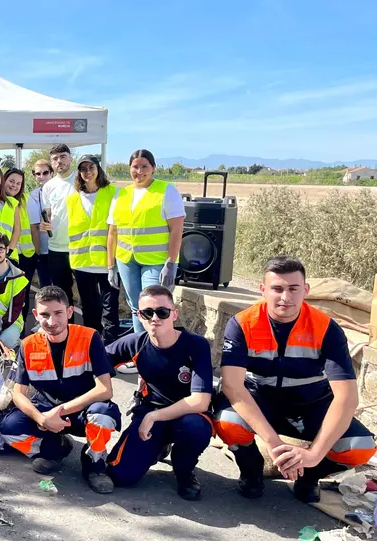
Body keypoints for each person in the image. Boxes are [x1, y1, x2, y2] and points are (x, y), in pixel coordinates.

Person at [214, 256, 376, 503]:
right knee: (228, 423)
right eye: (277, 289)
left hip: (311, 403)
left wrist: (313, 455)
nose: (285, 297)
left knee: (360, 447)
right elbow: (233, 386)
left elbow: (346, 398)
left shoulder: (326, 328)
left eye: (293, 289)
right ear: (263, 290)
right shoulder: (242, 324)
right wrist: (274, 443)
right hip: (260, 398)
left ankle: (308, 477)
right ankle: (251, 471)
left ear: (306, 290)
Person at [0, 286, 120, 494]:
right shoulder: (28, 345)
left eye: (58, 313)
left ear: (70, 312)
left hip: (83, 411)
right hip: (47, 413)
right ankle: (54, 449)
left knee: (103, 416)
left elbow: (105, 389)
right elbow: (18, 393)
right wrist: (40, 418)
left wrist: (60, 411)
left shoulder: (90, 338)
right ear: (35, 315)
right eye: (44, 315)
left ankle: (95, 465)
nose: (52, 322)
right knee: (9, 428)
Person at [105, 285, 213, 501]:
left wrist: (154, 416)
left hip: (187, 415)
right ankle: (157, 446)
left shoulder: (196, 345)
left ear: (174, 314)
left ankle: (184, 471)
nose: (155, 318)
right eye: (147, 313)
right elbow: (96, 359)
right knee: (120, 475)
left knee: (195, 428)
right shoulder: (135, 343)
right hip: (150, 412)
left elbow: (200, 401)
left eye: (162, 312)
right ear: (139, 316)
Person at [107, 148, 185, 333]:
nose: (139, 171)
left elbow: (176, 229)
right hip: (126, 260)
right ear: (129, 168)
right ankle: (140, 352)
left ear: (153, 168)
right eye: (135, 167)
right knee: (137, 308)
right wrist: (111, 266)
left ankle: (157, 350)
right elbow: (113, 232)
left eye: (144, 167)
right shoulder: (121, 194)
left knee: (153, 309)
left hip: (156, 261)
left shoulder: (166, 191)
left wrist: (171, 263)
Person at [68, 155, 121, 343]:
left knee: (110, 307)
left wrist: (112, 263)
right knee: (89, 307)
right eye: (83, 169)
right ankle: (92, 345)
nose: (87, 172)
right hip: (82, 263)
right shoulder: (73, 198)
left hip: (107, 262)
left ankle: (111, 346)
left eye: (91, 167)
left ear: (98, 168)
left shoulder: (113, 192)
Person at [38, 145, 76, 304]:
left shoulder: (81, 180)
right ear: (51, 163)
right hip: (56, 248)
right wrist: (44, 225)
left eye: (62, 156)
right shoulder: (48, 187)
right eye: (55, 159)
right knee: (64, 296)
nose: (59, 161)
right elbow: (48, 214)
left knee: (89, 296)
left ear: (70, 158)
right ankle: (68, 328)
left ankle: (90, 329)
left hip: (80, 247)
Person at [2, 167, 38, 319]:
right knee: (4, 295)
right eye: (11, 181)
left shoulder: (27, 200)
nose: (14, 186)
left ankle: (20, 331)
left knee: (22, 295)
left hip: (25, 257)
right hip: (5, 256)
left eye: (18, 183)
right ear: (4, 181)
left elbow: (34, 227)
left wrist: (37, 252)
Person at [26, 158, 53, 289]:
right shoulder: (33, 196)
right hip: (44, 251)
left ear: (51, 173)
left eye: (45, 172)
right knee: (46, 287)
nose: (41, 176)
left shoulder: (64, 191)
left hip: (64, 249)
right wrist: (38, 253)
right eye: (38, 174)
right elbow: (34, 227)